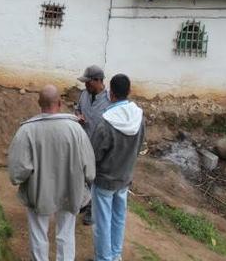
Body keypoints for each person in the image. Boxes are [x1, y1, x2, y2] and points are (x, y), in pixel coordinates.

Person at [8, 85, 96, 261]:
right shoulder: (76, 130)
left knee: (38, 232)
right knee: (66, 232)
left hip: (38, 192)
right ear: (60, 103)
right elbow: (90, 168)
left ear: (39, 103)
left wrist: (23, 179)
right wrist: (86, 181)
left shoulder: (27, 130)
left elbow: (18, 171)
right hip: (70, 191)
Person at [90, 74, 145, 261]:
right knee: (118, 218)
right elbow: (138, 147)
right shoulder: (139, 116)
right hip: (124, 178)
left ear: (110, 93)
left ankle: (104, 258)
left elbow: (94, 155)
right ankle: (115, 255)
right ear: (129, 92)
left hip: (105, 180)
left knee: (102, 222)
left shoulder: (106, 122)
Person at [75, 65, 111, 225]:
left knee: (95, 179)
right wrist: (78, 116)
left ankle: (92, 210)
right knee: (82, 175)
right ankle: (84, 202)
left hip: (100, 148)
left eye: (88, 82)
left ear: (98, 81)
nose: (86, 85)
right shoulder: (84, 95)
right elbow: (77, 109)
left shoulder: (110, 100)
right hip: (83, 143)